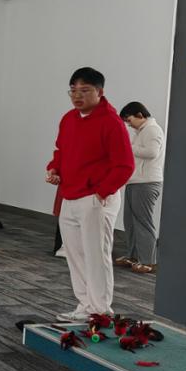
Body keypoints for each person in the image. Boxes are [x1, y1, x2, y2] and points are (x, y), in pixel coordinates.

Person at [46, 67, 133, 322]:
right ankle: (85, 305)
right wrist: (54, 168)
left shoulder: (111, 122)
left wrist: (101, 193)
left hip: (96, 198)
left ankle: (100, 310)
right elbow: (61, 150)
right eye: (73, 90)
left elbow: (125, 165)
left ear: (99, 92)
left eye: (84, 90)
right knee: (74, 254)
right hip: (70, 195)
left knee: (96, 255)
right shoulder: (68, 119)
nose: (77, 96)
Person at [116, 101, 165, 274]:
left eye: (129, 120)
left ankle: (148, 261)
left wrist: (128, 147)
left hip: (146, 182)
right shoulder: (142, 131)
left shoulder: (152, 129)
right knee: (130, 221)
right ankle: (133, 256)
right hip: (136, 181)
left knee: (143, 222)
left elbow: (152, 152)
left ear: (139, 115)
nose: (128, 125)